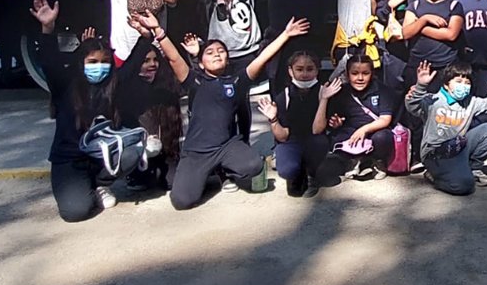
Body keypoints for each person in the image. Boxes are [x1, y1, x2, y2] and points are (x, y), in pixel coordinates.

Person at [150, 13, 309, 210]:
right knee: (182, 201)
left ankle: (225, 171)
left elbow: (262, 58)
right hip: (197, 153)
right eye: (210, 52)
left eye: (221, 51)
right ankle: (206, 176)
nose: (217, 54)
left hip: (226, 147)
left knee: (254, 166)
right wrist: (159, 31)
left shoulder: (236, 82)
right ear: (200, 63)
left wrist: (285, 35)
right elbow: (174, 58)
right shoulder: (195, 82)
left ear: (227, 59)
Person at [30, 0, 151, 222]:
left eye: (105, 61)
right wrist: (48, 28)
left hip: (101, 155)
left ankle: (101, 183)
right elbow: (50, 62)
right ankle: (86, 189)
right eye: (92, 62)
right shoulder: (65, 85)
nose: (100, 67)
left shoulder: (114, 84)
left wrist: (146, 36)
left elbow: (134, 62)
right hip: (69, 160)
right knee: (75, 212)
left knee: (132, 152)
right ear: (81, 63)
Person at [406, 61, 487, 195]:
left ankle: (473, 167)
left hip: (459, 147)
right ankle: (435, 177)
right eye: (458, 81)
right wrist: (421, 85)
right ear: (446, 84)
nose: (463, 86)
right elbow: (412, 105)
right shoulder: (433, 100)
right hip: (436, 153)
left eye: (467, 83)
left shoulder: (471, 102)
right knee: (464, 185)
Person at [108, 25, 183, 193]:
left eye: (155, 60)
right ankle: (136, 173)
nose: (153, 64)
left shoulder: (166, 86)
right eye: (146, 60)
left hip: (166, 151)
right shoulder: (126, 89)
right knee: (139, 185)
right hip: (140, 151)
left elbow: (188, 79)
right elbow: (121, 74)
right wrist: (145, 39)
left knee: (173, 183)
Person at [255, 51, 338, 198]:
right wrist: (273, 119)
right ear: (290, 71)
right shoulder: (283, 95)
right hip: (290, 141)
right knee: (287, 170)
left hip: (314, 140)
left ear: (317, 70)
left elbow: (317, 129)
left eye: (310, 69)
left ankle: (312, 173)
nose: (305, 74)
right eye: (299, 69)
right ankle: (295, 171)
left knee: (320, 141)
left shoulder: (324, 92)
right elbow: (282, 137)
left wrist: (324, 99)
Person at [320, 52, 397, 181]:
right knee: (332, 137)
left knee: (383, 137)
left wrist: (364, 130)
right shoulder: (342, 92)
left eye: (365, 73)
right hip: (351, 130)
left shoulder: (383, 90)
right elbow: (335, 119)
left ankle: (377, 160)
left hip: (375, 129)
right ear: (347, 74)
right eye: (354, 73)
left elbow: (385, 119)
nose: (360, 78)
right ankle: (352, 160)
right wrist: (336, 122)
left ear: (372, 74)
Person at [401, 0, 465, 90]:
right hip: (417, 66)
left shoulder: (454, 5)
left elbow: (451, 34)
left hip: (444, 67)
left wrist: (420, 28)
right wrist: (424, 19)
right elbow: (406, 33)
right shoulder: (415, 5)